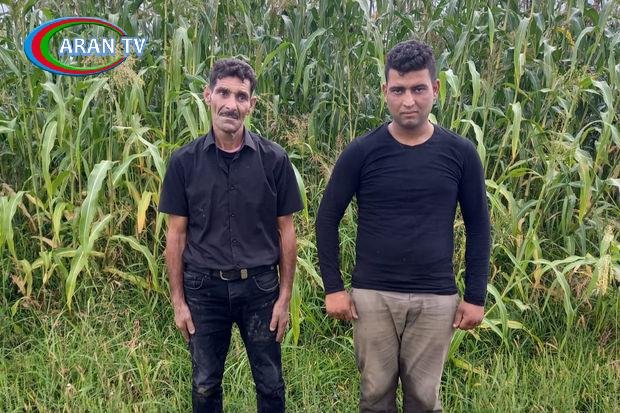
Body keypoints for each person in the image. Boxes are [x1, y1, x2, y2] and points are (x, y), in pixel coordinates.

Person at [315, 39, 491, 412]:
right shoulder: (362, 152)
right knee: (374, 396)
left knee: (424, 399)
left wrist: (476, 296)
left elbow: (479, 226)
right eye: (398, 90)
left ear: (435, 89)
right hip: (373, 296)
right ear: (385, 92)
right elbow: (327, 218)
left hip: (436, 298)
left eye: (418, 89)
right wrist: (334, 288)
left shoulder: (461, 154)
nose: (408, 100)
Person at [159, 58, 303, 413]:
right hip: (203, 289)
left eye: (241, 96)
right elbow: (175, 237)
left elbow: (286, 231)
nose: (231, 104)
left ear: (251, 104)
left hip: (260, 289)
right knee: (205, 384)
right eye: (223, 93)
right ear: (208, 95)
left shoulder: (274, 160)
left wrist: (284, 297)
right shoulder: (184, 163)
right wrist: (179, 302)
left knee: (270, 384)